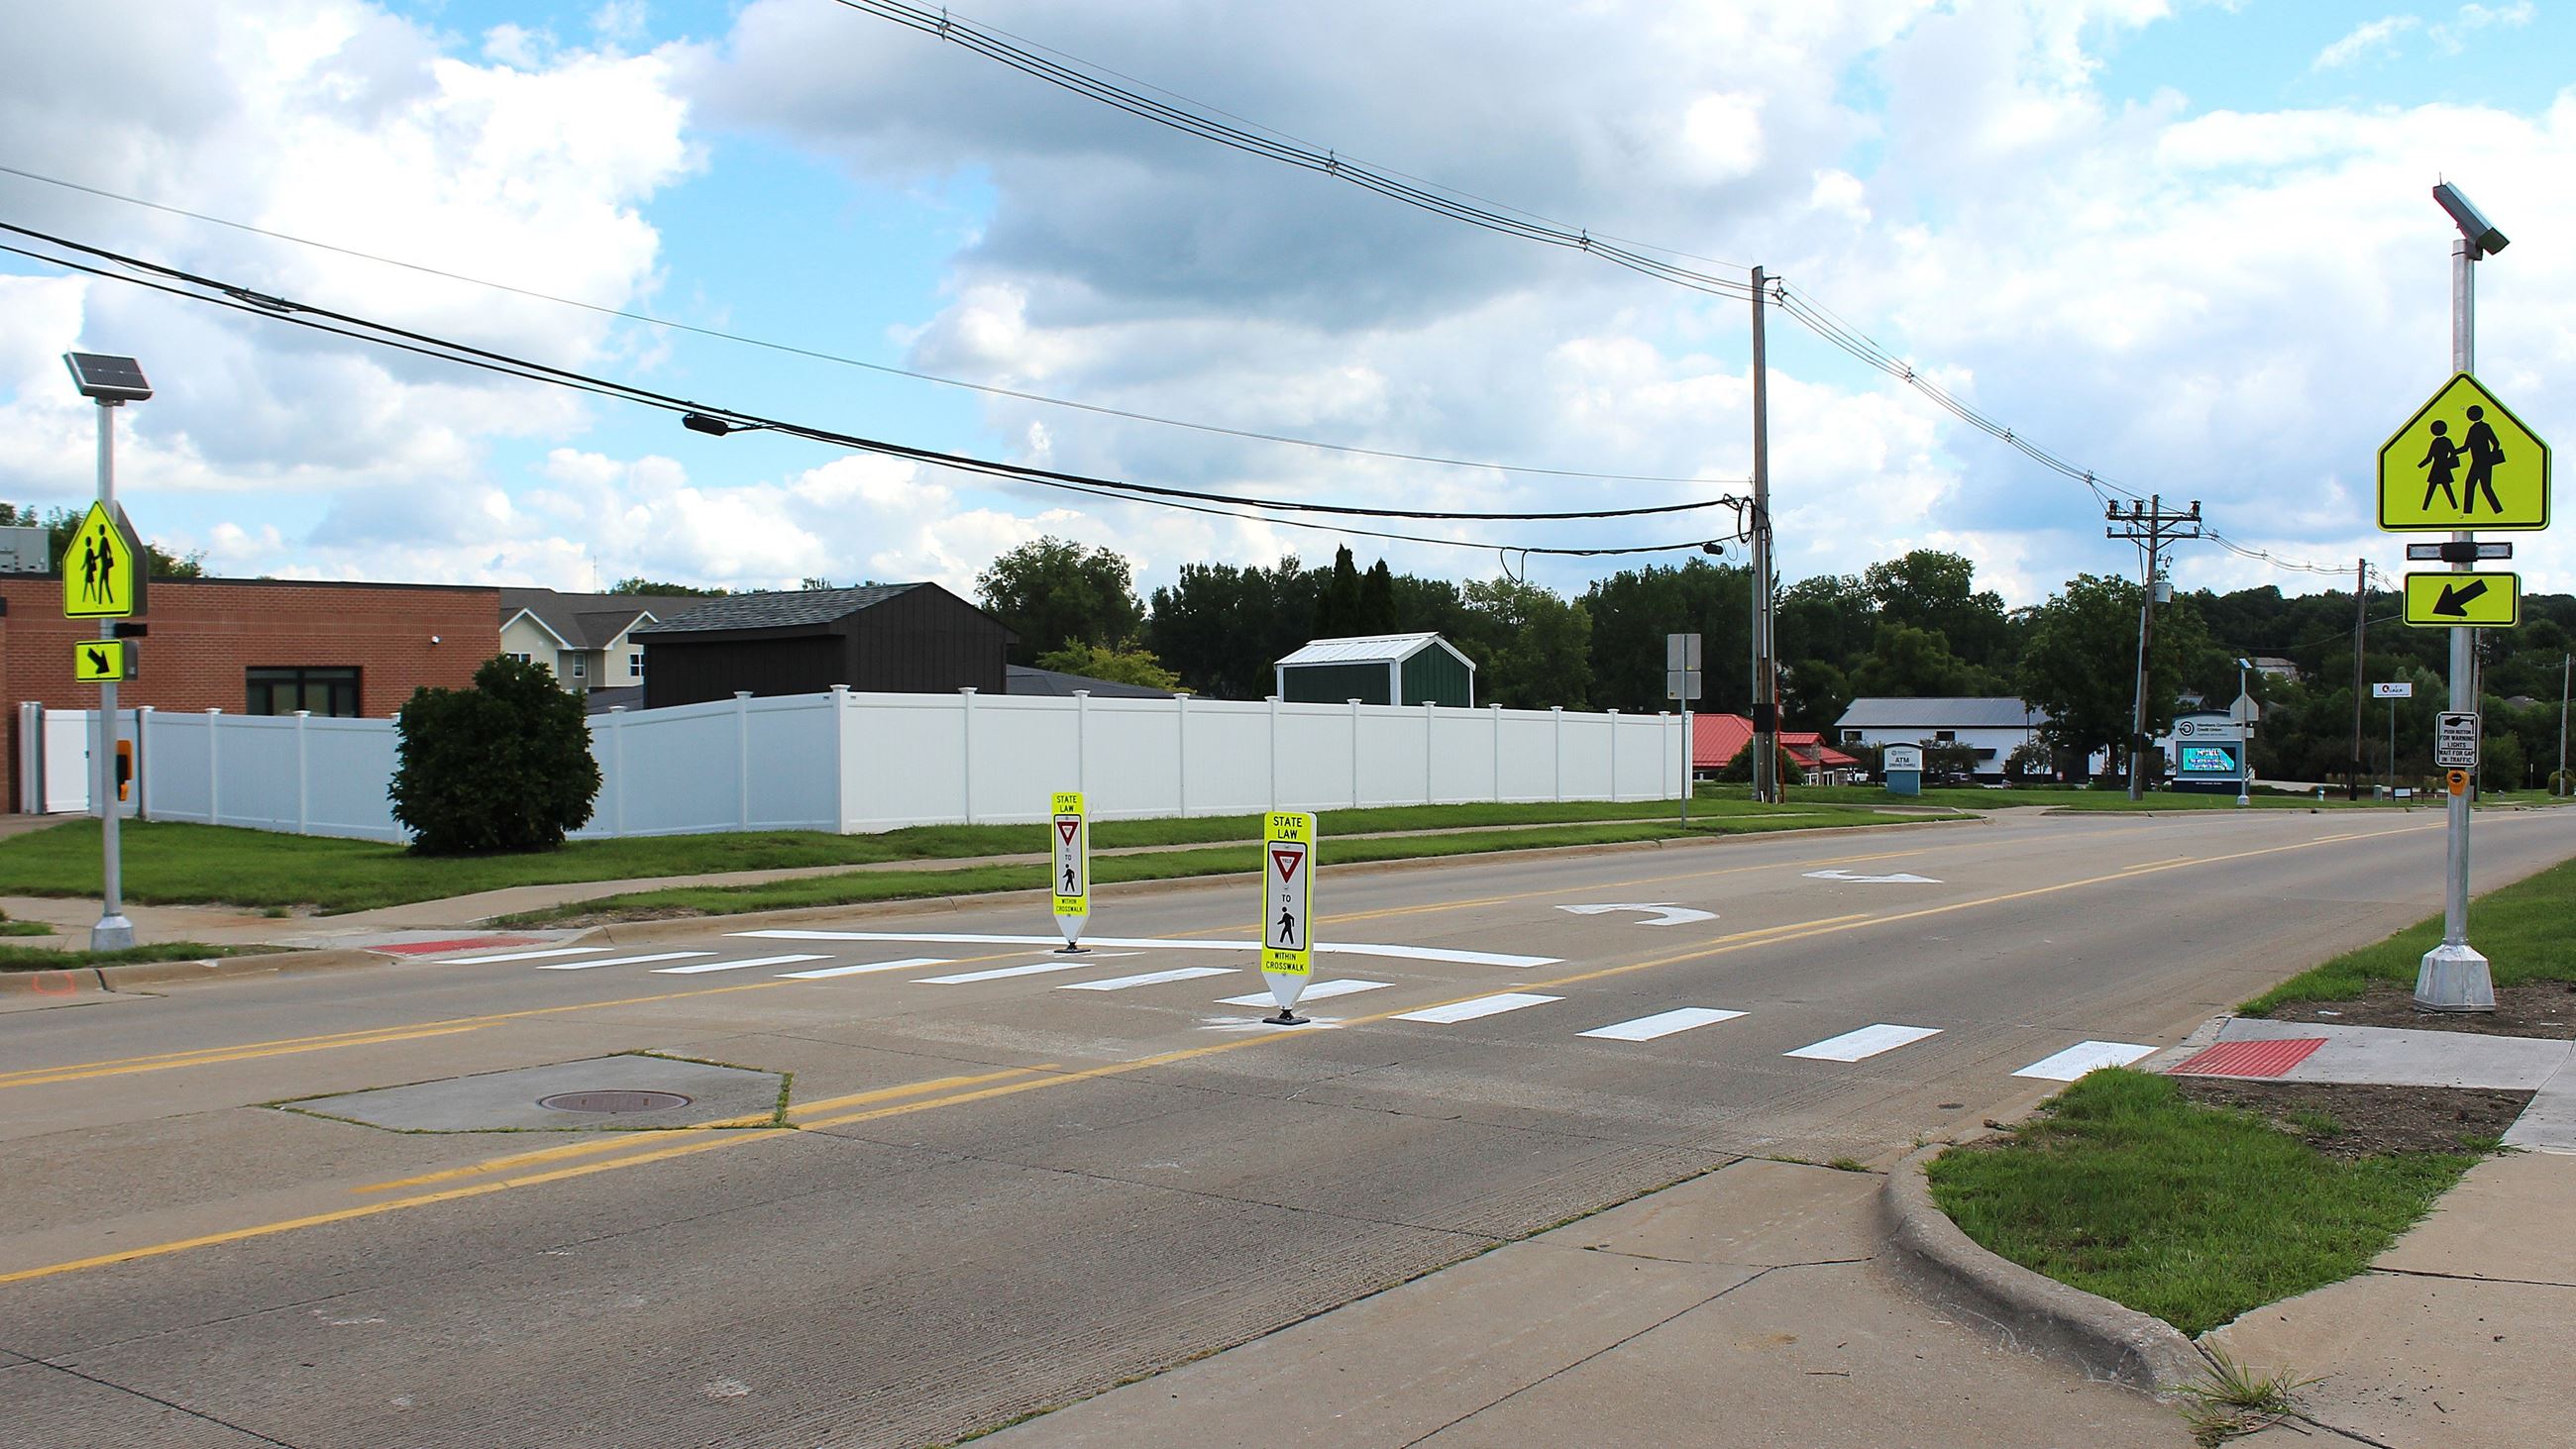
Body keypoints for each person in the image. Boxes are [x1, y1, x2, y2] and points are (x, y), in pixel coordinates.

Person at [2460, 403, 2507, 516]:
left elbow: (2495, 442)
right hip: (2477, 462)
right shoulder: (2472, 429)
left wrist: (2491, 457)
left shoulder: (2485, 427)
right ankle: (2468, 512)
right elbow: (2466, 447)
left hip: (2484, 462)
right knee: (2471, 484)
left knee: (2484, 487)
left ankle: (2497, 510)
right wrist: (2453, 452)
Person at [2418, 419, 2463, 513]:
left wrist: (2420, 466)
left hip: (2436, 468)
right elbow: (2453, 453)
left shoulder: (2435, 442)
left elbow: (2429, 458)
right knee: (2446, 488)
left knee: (2432, 489)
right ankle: (2455, 508)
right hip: (2444, 468)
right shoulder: (2447, 441)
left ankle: (2425, 508)